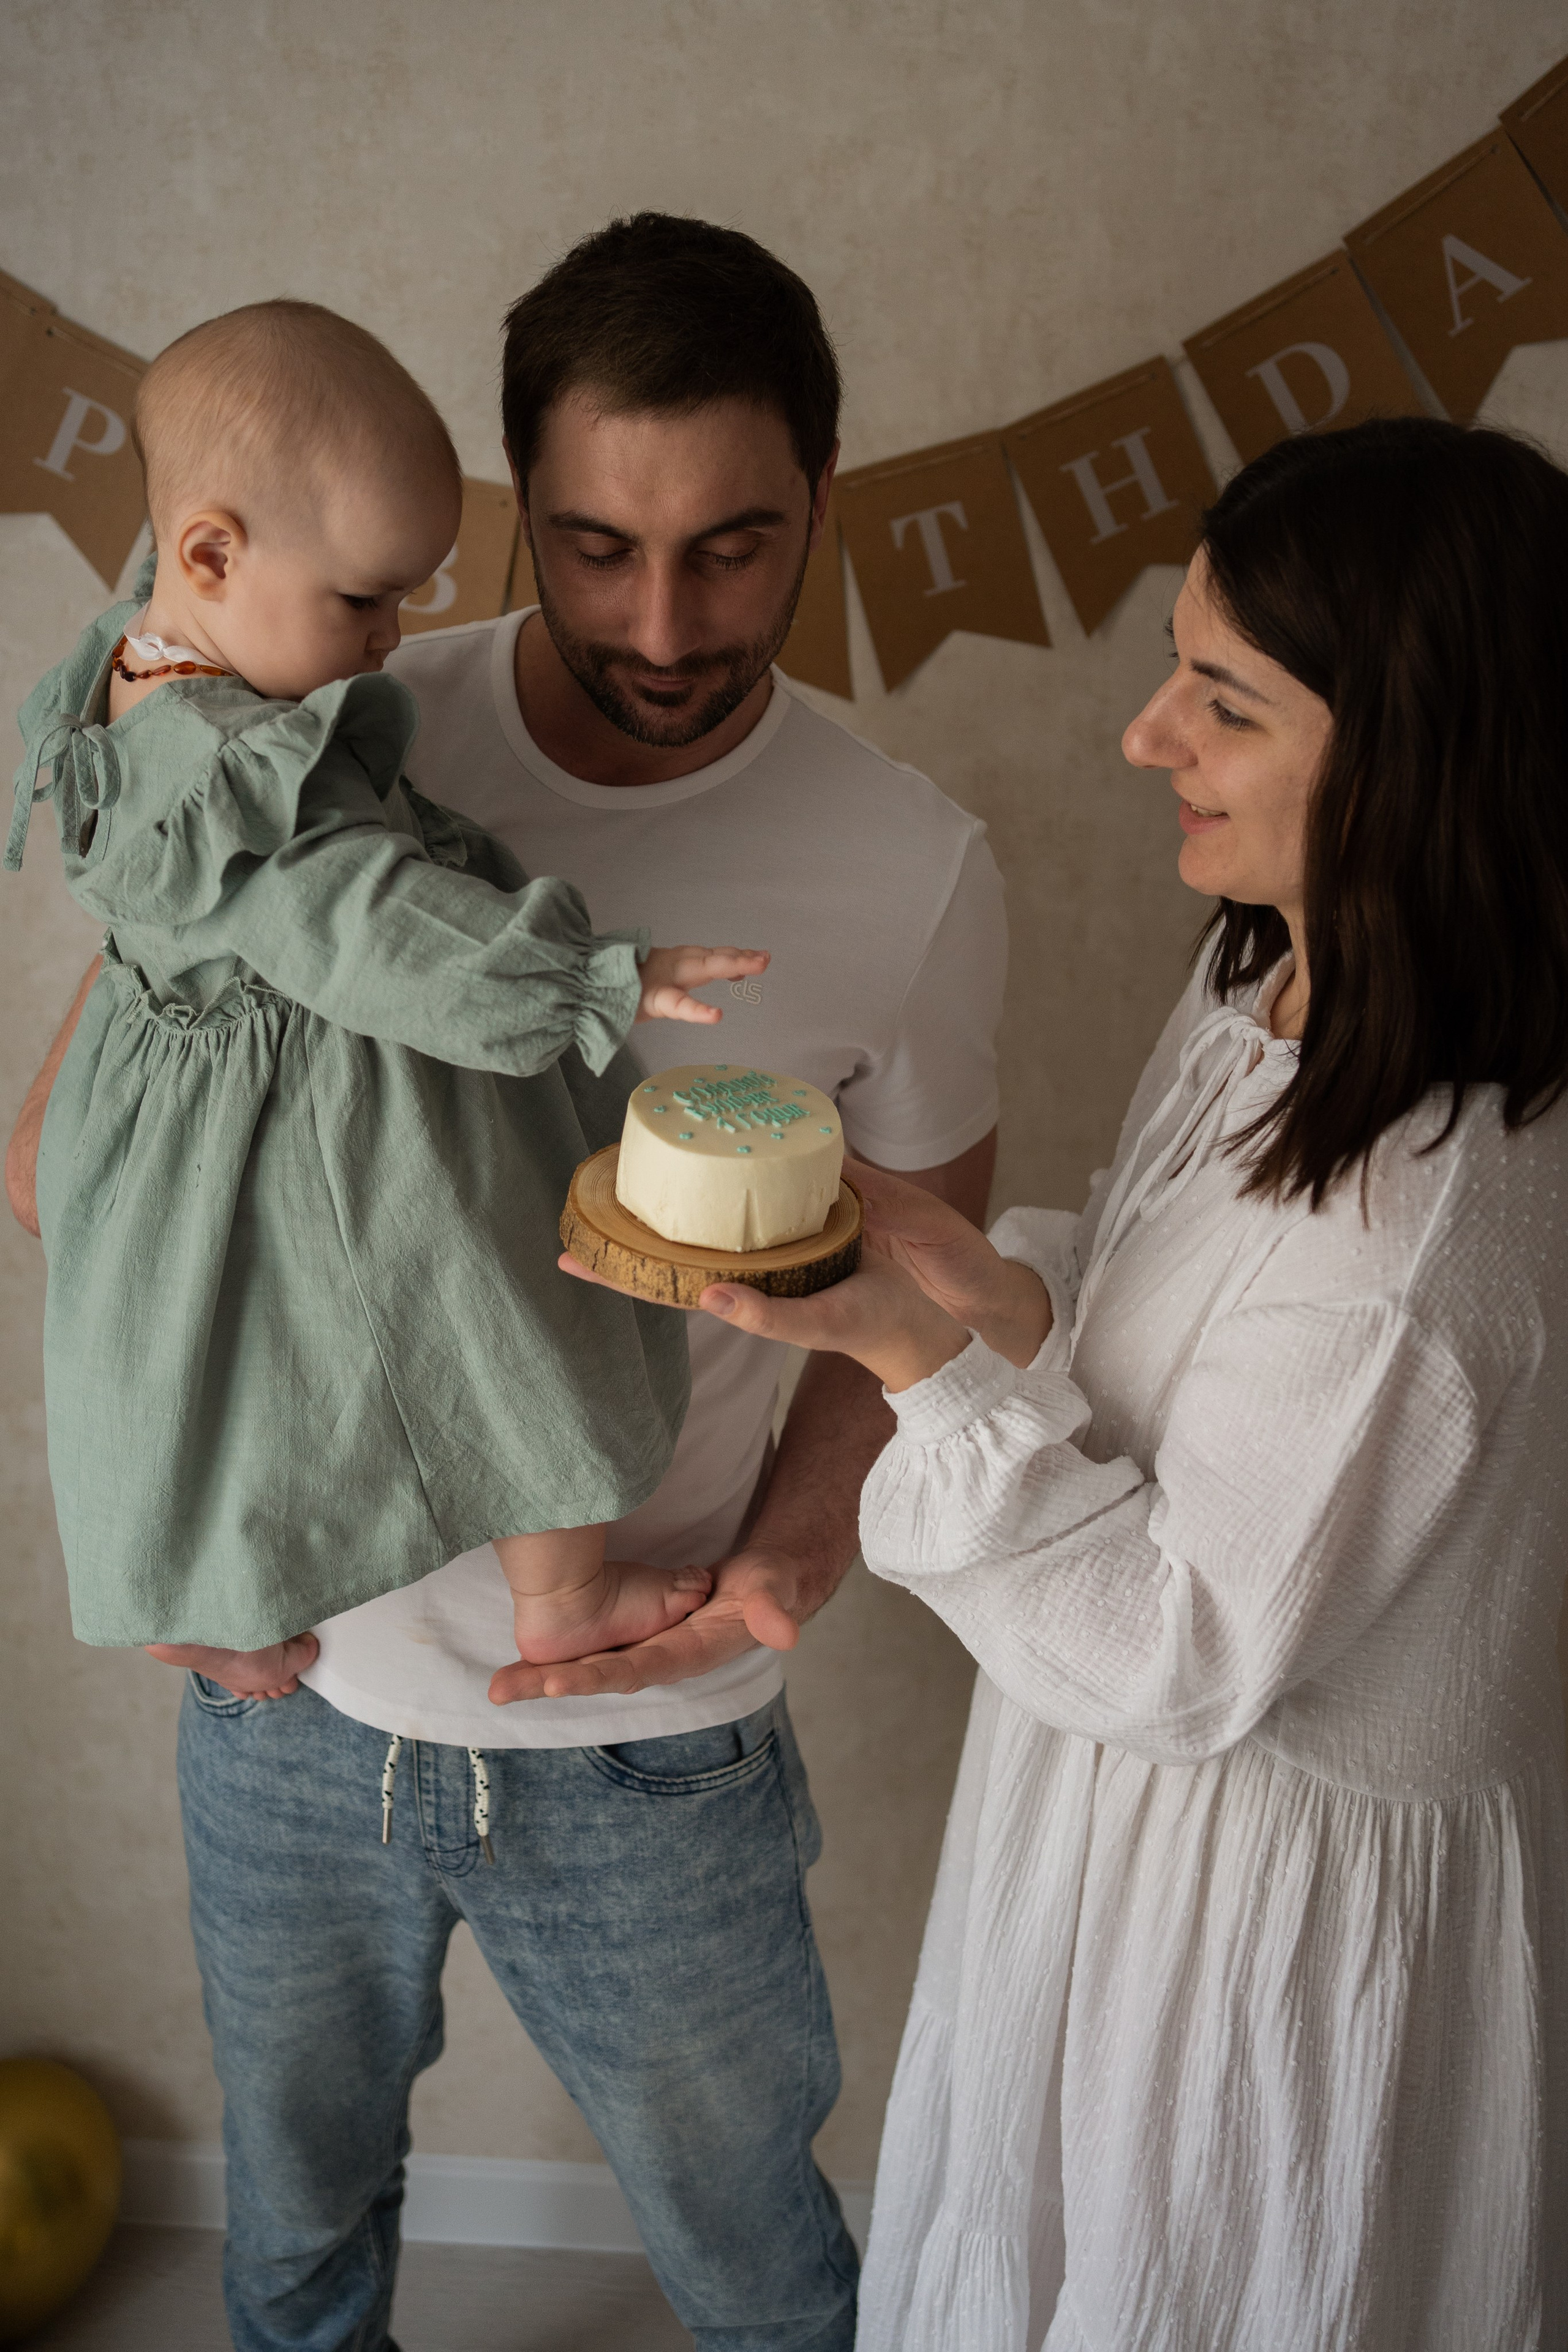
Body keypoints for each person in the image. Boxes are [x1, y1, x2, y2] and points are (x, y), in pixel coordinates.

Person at [7, 216, 1006, 2351]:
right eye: (593, 545)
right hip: (289, 1694)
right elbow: (88, 1127)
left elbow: (930, 1253)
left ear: (826, 497)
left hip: (650, 1723)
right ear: (506, 515)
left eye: (737, 548)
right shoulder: (348, 716)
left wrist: (798, 1544)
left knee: (757, 2257)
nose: (663, 620)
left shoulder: (910, 868)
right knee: (291, 2241)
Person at [681, 419, 1568, 2350]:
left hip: (1259, 1912)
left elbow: (1185, 1643)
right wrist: (992, 1275)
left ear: (1412, 755)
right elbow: (1194, 1315)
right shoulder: (1284, 968)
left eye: (1223, 704)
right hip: (1119, 1826)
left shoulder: (1422, 1236)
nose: (1145, 736)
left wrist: (917, 1360)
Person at [6, 296, 768, 1700]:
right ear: (211, 552)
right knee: (511, 1302)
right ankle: (566, 1590)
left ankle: (196, 1594)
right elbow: (368, 923)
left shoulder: (142, 652)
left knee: (190, 1365)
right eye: (363, 599)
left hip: (172, 1101)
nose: (391, 638)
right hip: (324, 1093)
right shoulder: (235, 779)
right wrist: (589, 975)